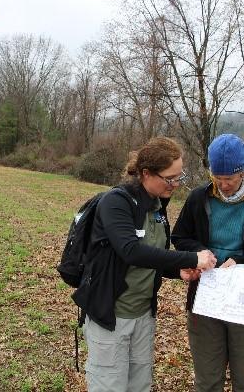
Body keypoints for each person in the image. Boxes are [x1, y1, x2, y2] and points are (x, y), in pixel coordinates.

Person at [72, 136, 217, 392]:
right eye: (170, 178)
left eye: (178, 177)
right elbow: (131, 251)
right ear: (146, 173)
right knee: (110, 386)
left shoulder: (157, 206)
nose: (175, 184)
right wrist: (192, 258)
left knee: (140, 386)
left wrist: (177, 270)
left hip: (142, 315)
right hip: (111, 316)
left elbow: (154, 254)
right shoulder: (116, 202)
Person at [171, 134, 244, 392]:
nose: (223, 185)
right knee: (207, 379)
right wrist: (200, 253)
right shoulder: (199, 198)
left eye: (230, 179)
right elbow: (180, 236)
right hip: (207, 296)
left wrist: (243, 261)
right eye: (218, 178)